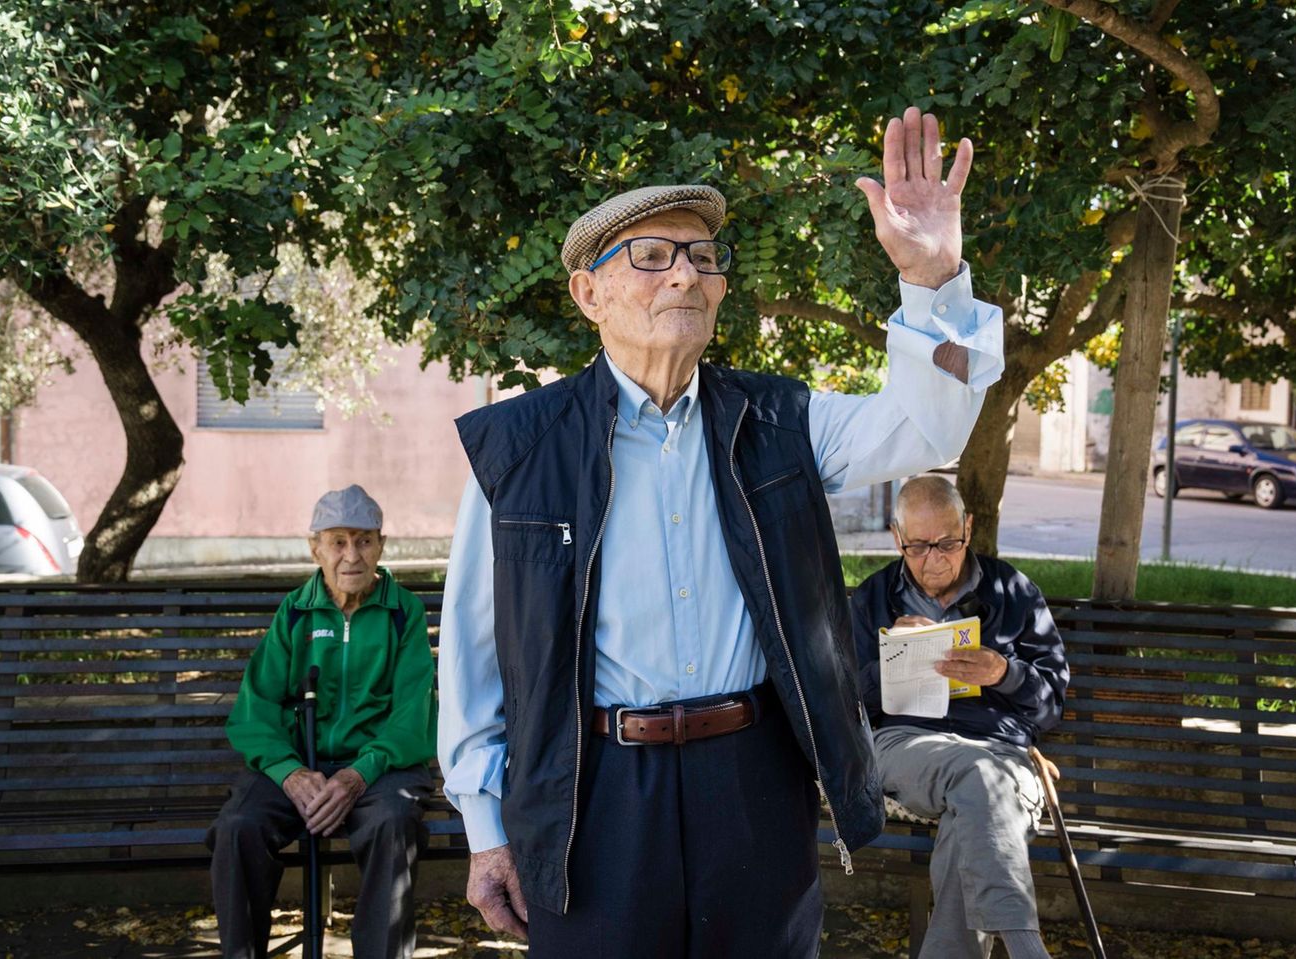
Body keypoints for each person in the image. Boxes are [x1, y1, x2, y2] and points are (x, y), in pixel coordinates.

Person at [438, 106, 1006, 959]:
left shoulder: (781, 421)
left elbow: (929, 429)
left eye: (703, 257)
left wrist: (932, 279)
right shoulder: (518, 447)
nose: (684, 274)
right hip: (592, 791)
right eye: (652, 255)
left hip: (752, 780)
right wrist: (485, 827)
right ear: (589, 293)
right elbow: (476, 658)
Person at [206, 485, 437, 959]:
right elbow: (255, 709)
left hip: (379, 767)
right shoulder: (295, 612)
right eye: (337, 542)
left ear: (381, 546)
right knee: (239, 827)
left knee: (394, 822)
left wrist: (358, 775)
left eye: (364, 540)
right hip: (299, 764)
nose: (351, 555)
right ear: (315, 548)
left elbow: (413, 713)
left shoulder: (403, 613)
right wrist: (289, 772)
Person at [848, 475, 1069, 959]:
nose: (934, 559)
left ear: (968, 528)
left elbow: (1051, 704)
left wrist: (1004, 673)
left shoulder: (1013, 592)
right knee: (981, 779)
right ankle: (1026, 946)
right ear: (897, 538)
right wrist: (890, 663)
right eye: (918, 547)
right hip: (906, 745)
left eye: (947, 543)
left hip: (1001, 750)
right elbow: (842, 705)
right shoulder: (872, 598)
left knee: (971, 811)